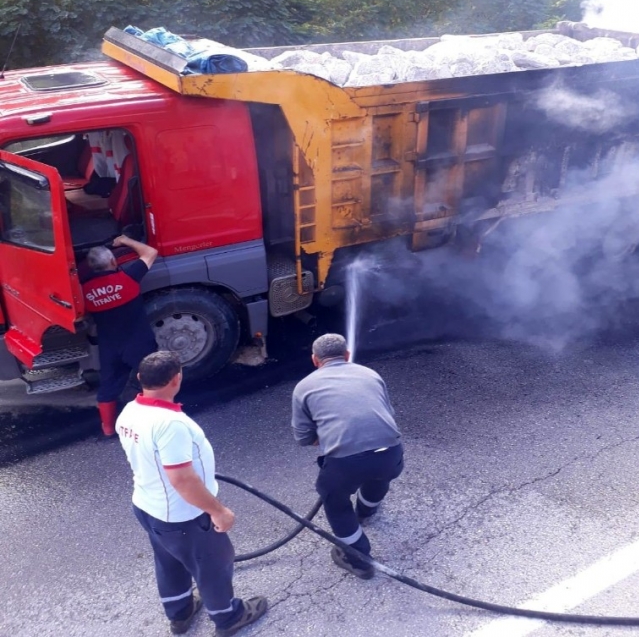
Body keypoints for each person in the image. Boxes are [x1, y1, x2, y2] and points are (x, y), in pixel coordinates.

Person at [116, 350, 268, 636]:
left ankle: (180, 613)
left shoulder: (129, 412)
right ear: (177, 379)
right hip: (183, 516)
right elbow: (183, 480)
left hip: (148, 507)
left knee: (169, 561)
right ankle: (228, 617)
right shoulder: (171, 425)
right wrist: (218, 511)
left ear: (140, 379)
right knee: (213, 566)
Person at [291, 333, 404, 579]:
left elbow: (302, 437)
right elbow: (387, 412)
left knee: (335, 501)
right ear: (347, 355)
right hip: (391, 453)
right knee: (378, 475)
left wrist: (331, 435)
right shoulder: (371, 374)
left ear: (315, 360)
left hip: (346, 463)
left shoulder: (304, 387)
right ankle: (366, 511)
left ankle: (359, 559)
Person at [82, 234, 158, 437]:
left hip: (110, 347)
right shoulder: (128, 276)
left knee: (108, 386)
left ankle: (107, 428)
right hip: (139, 342)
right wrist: (125, 241)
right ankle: (154, 422)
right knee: (153, 380)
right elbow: (151, 252)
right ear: (113, 261)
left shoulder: (84, 291)